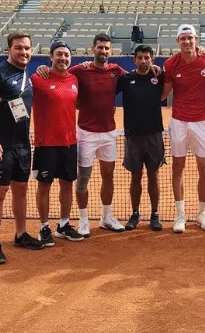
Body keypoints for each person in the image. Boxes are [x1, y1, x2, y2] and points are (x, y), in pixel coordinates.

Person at [37, 33, 126, 236]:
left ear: (110, 51)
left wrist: (156, 69)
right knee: (83, 179)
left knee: (108, 175)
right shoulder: (79, 70)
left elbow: (136, 76)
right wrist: (41, 68)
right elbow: (58, 74)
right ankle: (84, 220)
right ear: (92, 49)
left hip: (109, 133)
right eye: (100, 47)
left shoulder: (116, 71)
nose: (103, 51)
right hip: (86, 133)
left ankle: (106, 217)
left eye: (106, 48)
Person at [0, 30, 44, 265]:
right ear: (9, 49)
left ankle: (20, 234)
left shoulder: (28, 76)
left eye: (27, 48)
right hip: (0, 145)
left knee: (21, 190)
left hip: (22, 146)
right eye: (18, 48)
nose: (23, 52)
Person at [162, 24, 205, 233]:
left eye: (190, 38)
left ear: (196, 39)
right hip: (179, 122)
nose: (186, 42)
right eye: (182, 38)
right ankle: (180, 215)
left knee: (204, 169)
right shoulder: (170, 64)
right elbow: (164, 93)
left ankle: (202, 213)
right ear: (178, 41)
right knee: (178, 167)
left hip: (202, 122)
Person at [31, 40, 83, 245]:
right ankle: (44, 227)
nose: (63, 58)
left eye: (66, 55)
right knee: (44, 187)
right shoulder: (37, 78)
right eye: (59, 54)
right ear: (51, 57)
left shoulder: (74, 79)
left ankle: (63, 225)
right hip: (46, 144)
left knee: (67, 185)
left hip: (70, 142)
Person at [117, 45, 165, 231]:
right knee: (135, 177)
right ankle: (135, 213)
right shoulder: (126, 79)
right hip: (133, 137)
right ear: (134, 60)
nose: (143, 61)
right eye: (140, 58)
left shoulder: (159, 77)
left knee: (154, 176)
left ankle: (154, 214)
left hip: (154, 135)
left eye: (147, 57)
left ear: (152, 59)